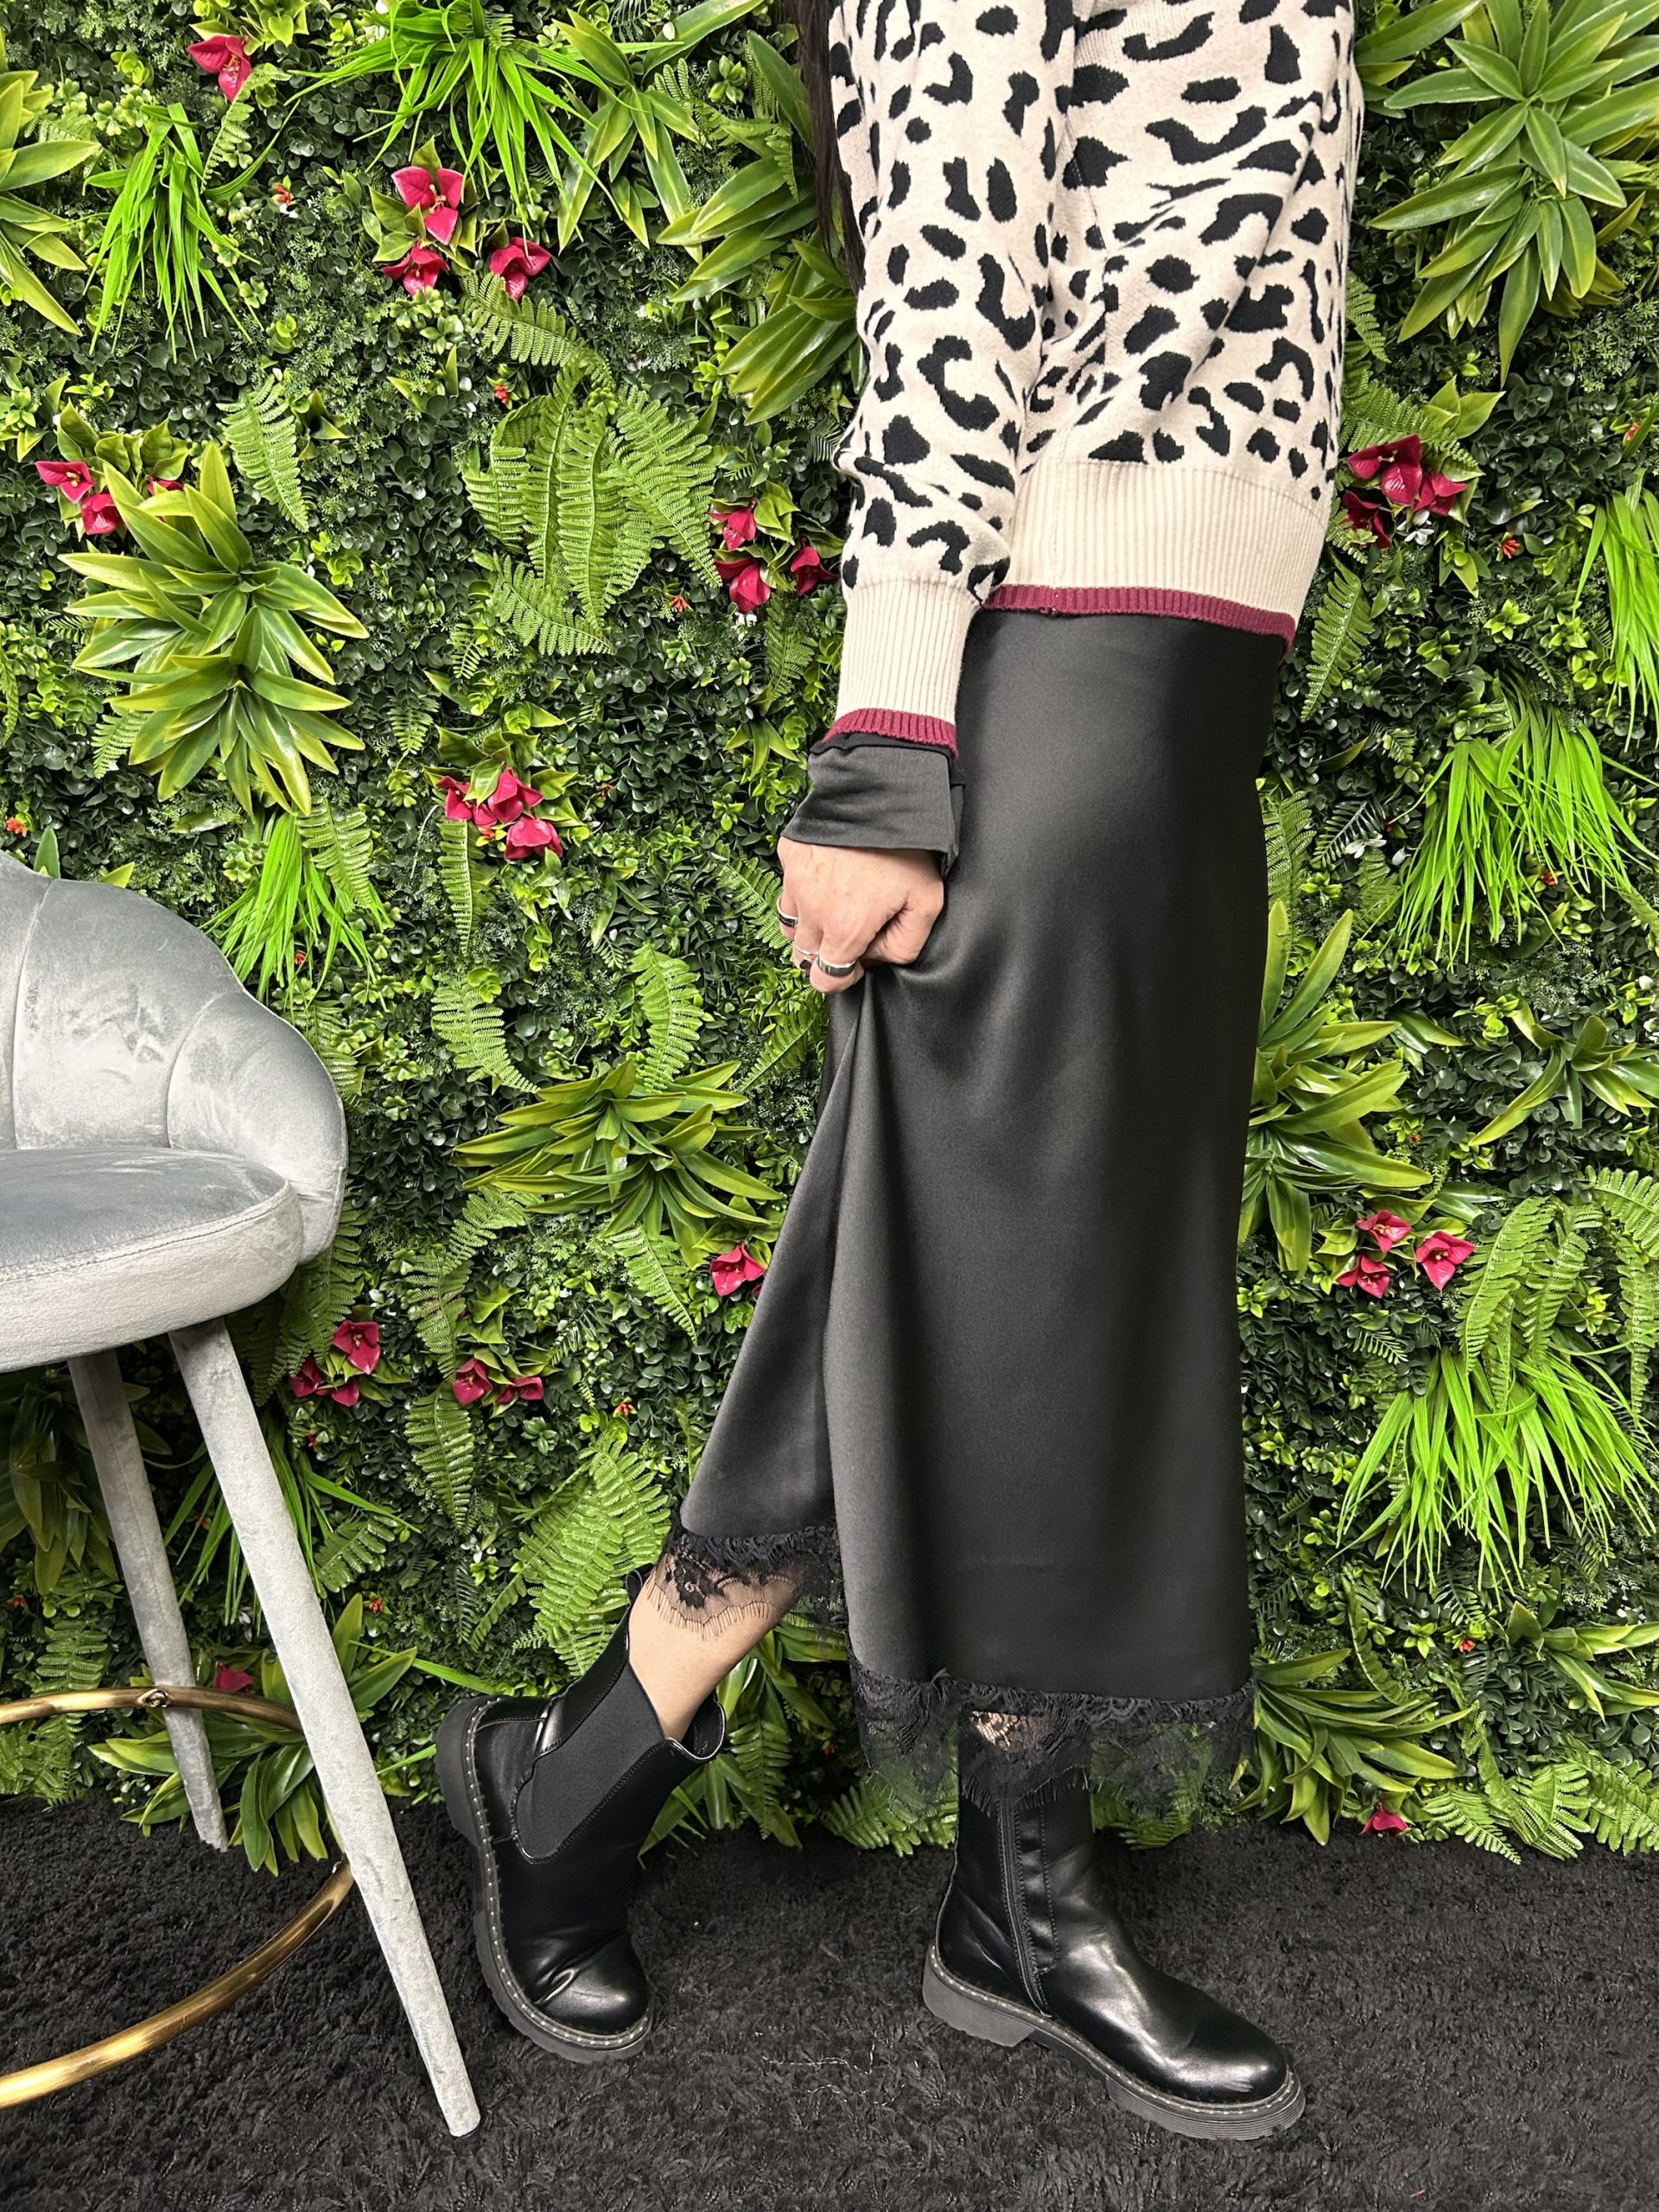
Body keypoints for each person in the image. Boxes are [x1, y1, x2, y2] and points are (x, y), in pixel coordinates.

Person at [438, 0, 1363, 2140]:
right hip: (1060, 657)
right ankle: (982, 1893)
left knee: (1016, 1288)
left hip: (1184, 673)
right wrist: (886, 742)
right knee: (1011, 1294)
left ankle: (615, 1778)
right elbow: (943, 271)